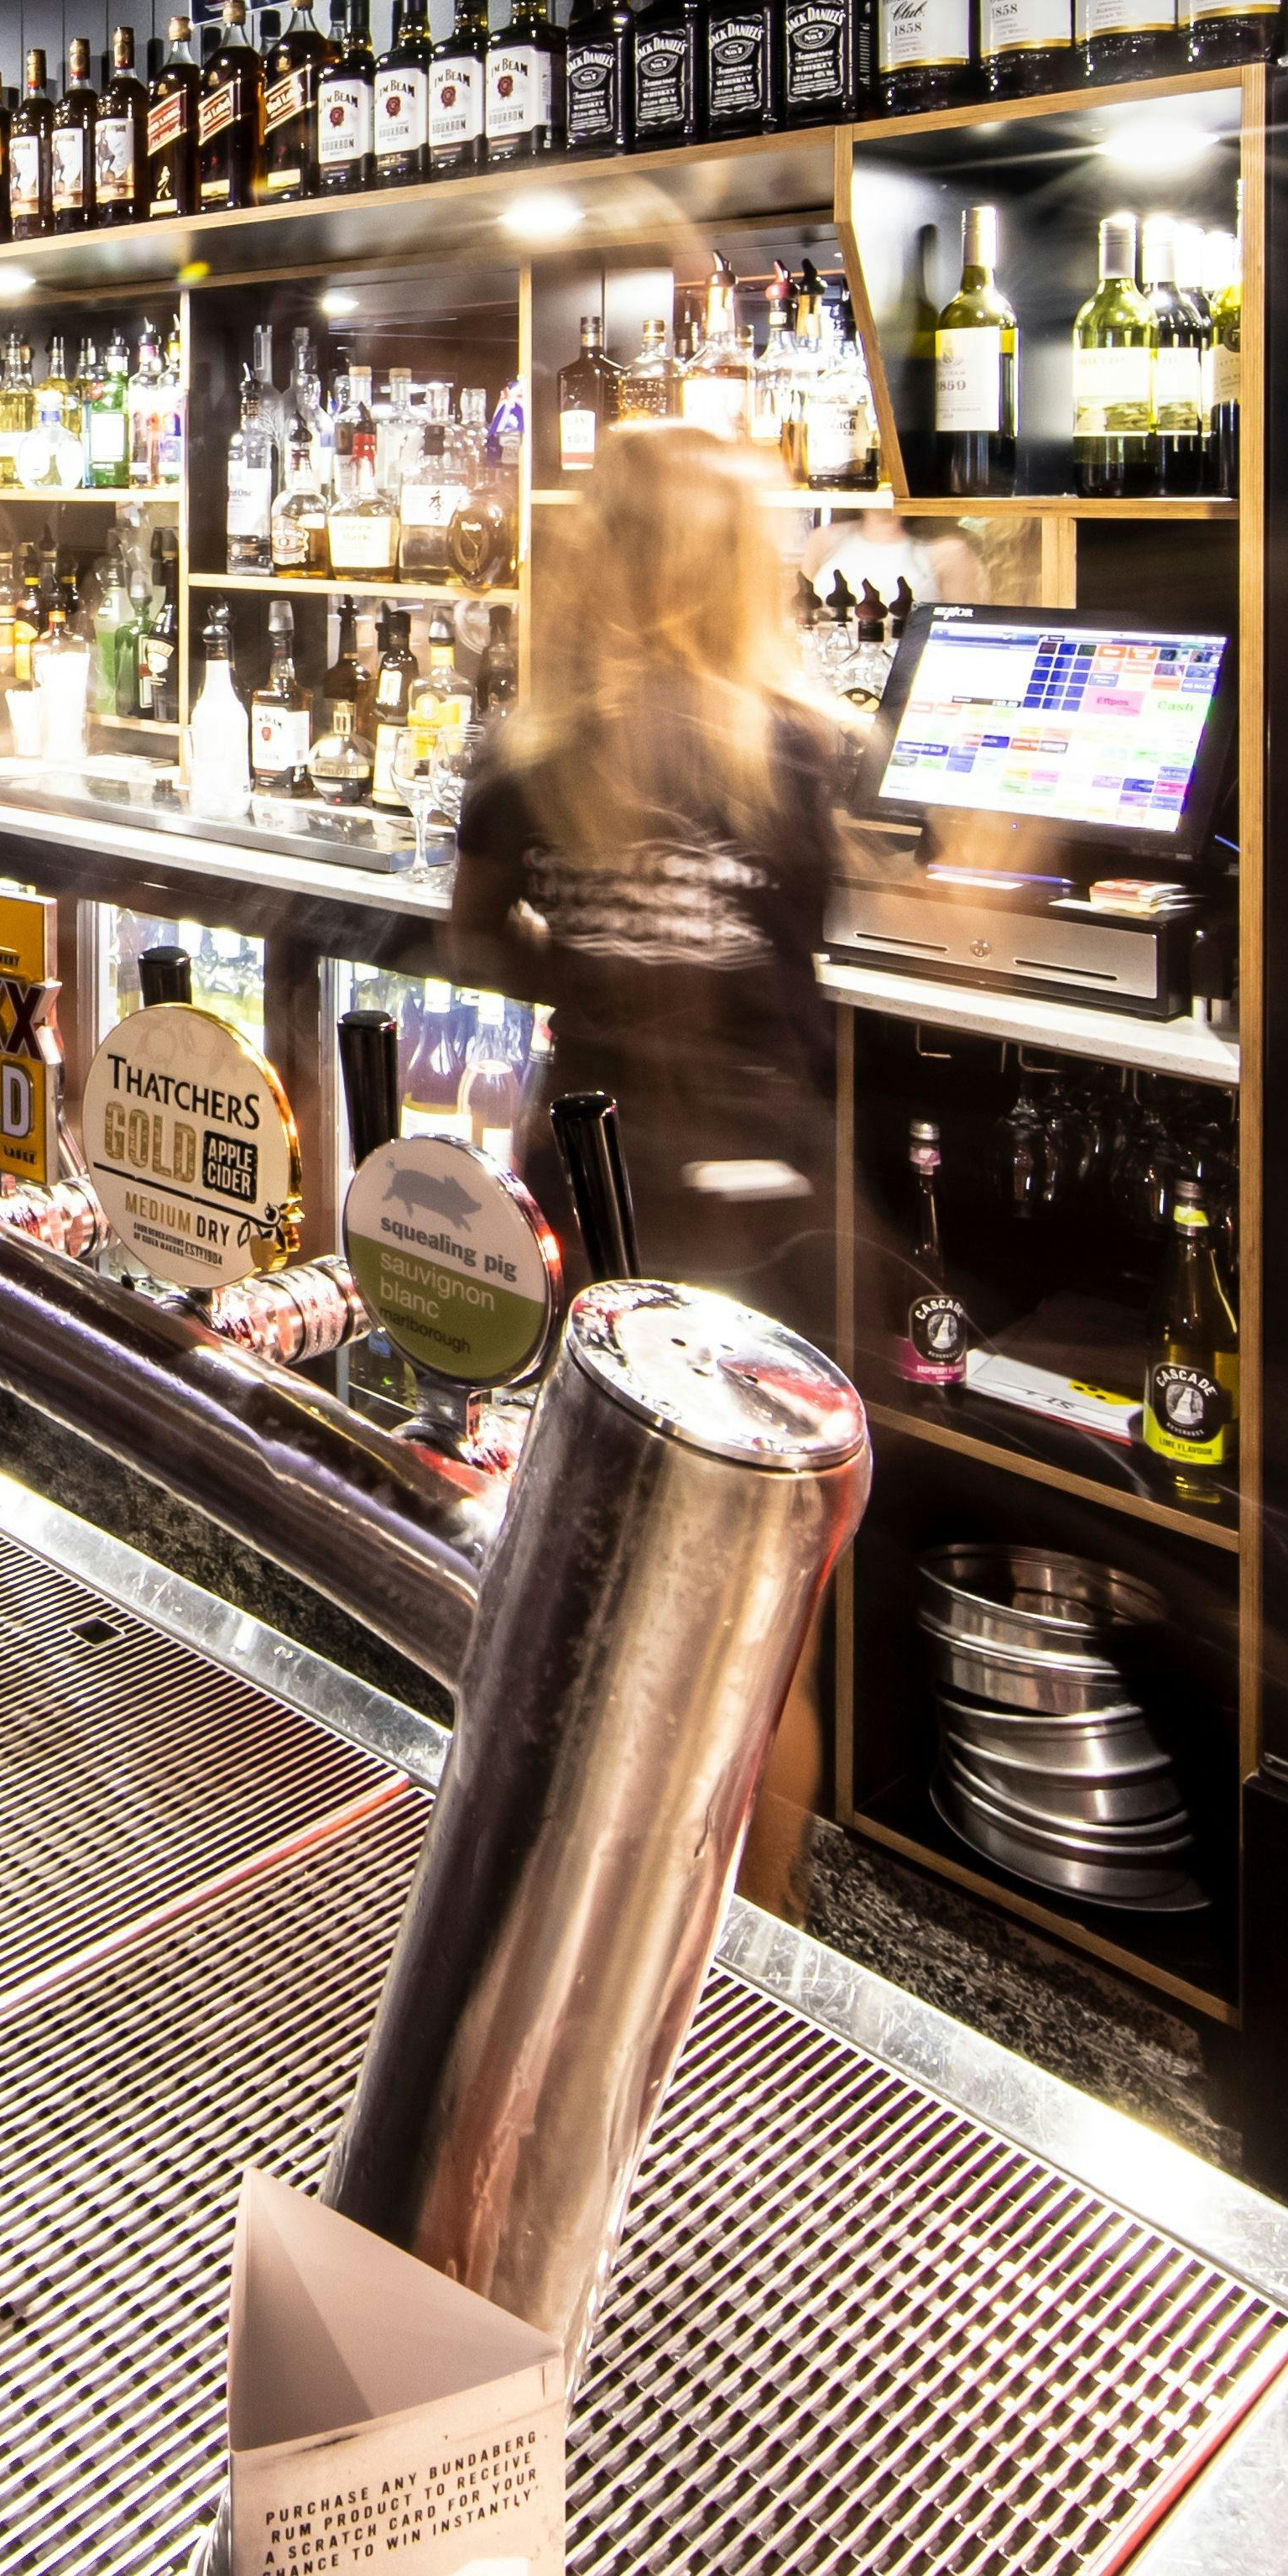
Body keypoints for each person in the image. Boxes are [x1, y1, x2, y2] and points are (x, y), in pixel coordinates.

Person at [446, 419, 860, 1910]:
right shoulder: (800, 750)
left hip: (585, 1177)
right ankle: (763, 1937)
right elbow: (846, 937)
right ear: (745, 567)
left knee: (585, 1568)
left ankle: (573, 1888)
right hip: (758, 1197)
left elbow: (472, 937)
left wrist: (586, 955)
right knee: (757, 1614)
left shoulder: (536, 751)